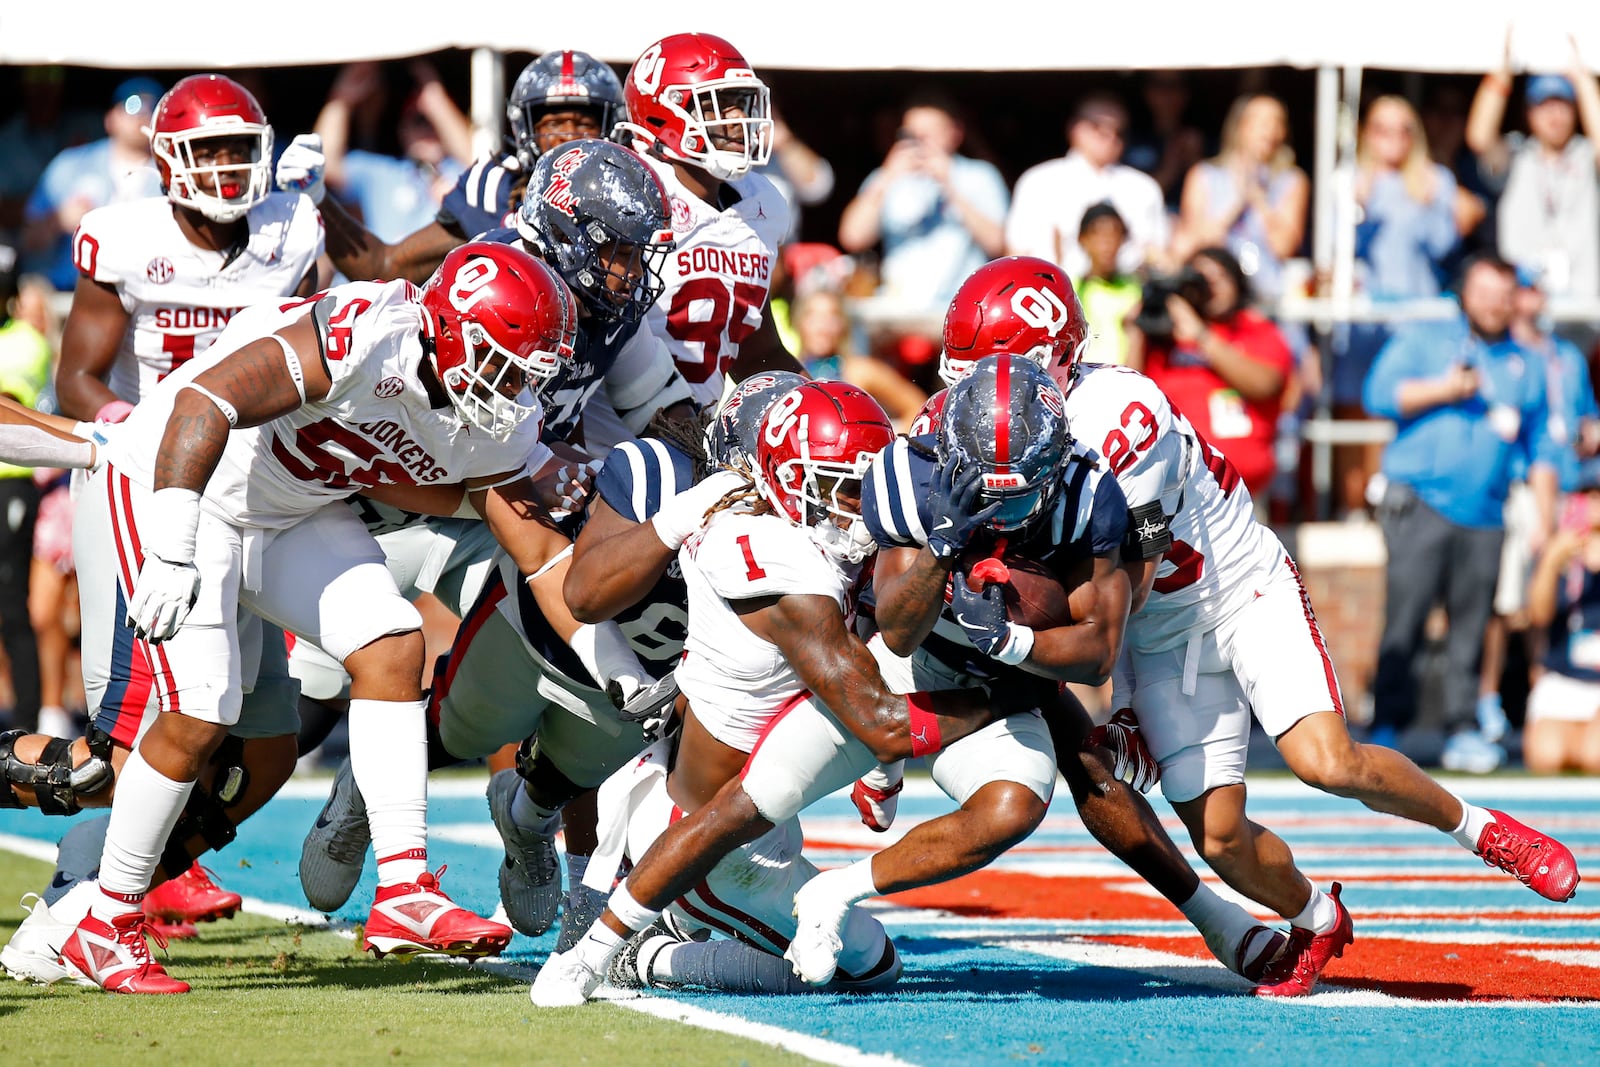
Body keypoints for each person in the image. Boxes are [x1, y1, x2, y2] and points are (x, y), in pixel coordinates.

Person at [951, 256, 1583, 996]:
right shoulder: (985, 424)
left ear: (1049, 359)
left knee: (1326, 760)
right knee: (1219, 838)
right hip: (1163, 634)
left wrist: (1121, 699)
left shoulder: (1124, 418)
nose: (972, 397)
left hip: (1235, 588)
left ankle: (1482, 829)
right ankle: (1318, 916)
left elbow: (1130, 579)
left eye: (986, 371)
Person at [46, 241, 605, 995]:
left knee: (392, 643)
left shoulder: (494, 412)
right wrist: (175, 548)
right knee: (200, 709)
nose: (513, 387)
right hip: (178, 481)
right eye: (502, 361)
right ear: (446, 327)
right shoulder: (365, 332)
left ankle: (405, 891)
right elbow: (203, 402)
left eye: (526, 369)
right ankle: (104, 921)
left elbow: (519, 538)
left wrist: (612, 663)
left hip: (288, 507)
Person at [531, 379, 1046, 1006]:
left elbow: (868, 665)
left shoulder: (802, 537)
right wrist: (1016, 692)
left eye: (866, 484)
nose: (860, 507)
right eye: (841, 488)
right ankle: (651, 957)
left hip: (736, 797)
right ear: (782, 480)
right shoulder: (776, 561)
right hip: (718, 847)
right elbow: (879, 718)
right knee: (870, 965)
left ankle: (649, 922)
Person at [292, 140, 686, 931]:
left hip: (496, 517)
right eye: (614, 250)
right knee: (296, 716)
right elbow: (434, 419)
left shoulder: (612, 313)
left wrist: (732, 447)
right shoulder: (491, 274)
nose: (628, 271)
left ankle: (535, 821)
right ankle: (347, 793)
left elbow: (660, 409)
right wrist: (549, 459)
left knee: (549, 675)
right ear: (567, 233)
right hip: (377, 503)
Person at [0, 74, 327, 980]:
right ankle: (78, 899)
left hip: (259, 490)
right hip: (150, 490)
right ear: (166, 156)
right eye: (208, 148)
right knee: (133, 730)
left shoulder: (293, 228)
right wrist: (145, 438)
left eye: (239, 147)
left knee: (263, 741)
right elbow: (78, 382)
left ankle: (123, 881)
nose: (227, 167)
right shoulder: (126, 233)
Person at [1364, 254, 1562, 771]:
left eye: (1504, 293)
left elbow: (1541, 446)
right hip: (1420, 504)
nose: (1495, 303)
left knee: (1473, 629)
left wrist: (1545, 516)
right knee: (1404, 619)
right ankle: (1388, 724)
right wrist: (1446, 388)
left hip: (1489, 512)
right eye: (1485, 291)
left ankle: (1461, 727)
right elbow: (1378, 396)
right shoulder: (1426, 339)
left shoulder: (1527, 362)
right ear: (1464, 293)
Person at [280, 50, 626, 285]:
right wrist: (317, 195)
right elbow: (385, 266)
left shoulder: (636, 188)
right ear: (524, 129)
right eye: (554, 124)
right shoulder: (494, 188)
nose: (568, 138)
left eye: (583, 123)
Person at [606, 31, 800, 423]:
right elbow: (604, 342)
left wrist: (822, 406)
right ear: (666, 113)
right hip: (611, 441)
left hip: (694, 431)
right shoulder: (627, 196)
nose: (737, 120)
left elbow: (755, 349)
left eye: (741, 105)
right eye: (717, 106)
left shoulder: (758, 204)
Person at [1130, 246, 1294, 496]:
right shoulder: (1165, 335)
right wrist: (1139, 330)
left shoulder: (1254, 328)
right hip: (1176, 488)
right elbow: (1130, 395)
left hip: (1242, 489)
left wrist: (1202, 337)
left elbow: (1266, 385)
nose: (1211, 286)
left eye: (1220, 277)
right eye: (1201, 278)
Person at [837, 90, 1008, 315]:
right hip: (898, 310)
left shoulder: (978, 175)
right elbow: (853, 237)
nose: (919, 142)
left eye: (929, 135)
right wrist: (887, 176)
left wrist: (949, 185)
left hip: (962, 308)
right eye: (911, 135)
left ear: (955, 133)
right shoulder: (887, 176)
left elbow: (998, 244)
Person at [1467, 31, 1600, 309]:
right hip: (1520, 306)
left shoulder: (1586, 155)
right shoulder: (1517, 154)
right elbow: (1479, 137)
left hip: (1582, 306)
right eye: (1544, 105)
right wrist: (1501, 75)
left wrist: (1584, 81)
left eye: (1562, 105)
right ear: (1529, 113)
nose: (1554, 116)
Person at [21, 79, 164, 291]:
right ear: (110, 118)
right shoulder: (71, 164)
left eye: (153, 108)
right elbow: (25, 239)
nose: (143, 115)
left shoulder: (172, 171)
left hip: (147, 292)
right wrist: (57, 221)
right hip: (69, 291)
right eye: (132, 105)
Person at [1005, 93, 1169, 280]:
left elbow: (1159, 256)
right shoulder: (1038, 181)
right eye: (1098, 126)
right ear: (1074, 128)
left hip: (1129, 299)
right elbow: (1015, 255)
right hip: (1053, 295)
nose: (1110, 135)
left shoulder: (1144, 188)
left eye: (1119, 130)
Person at [310, 61, 471, 243]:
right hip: (390, 270)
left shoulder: (461, 172)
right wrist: (342, 99)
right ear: (401, 128)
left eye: (432, 120)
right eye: (418, 121)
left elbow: (482, 162)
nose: (428, 130)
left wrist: (437, 102)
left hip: (447, 269)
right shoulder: (382, 171)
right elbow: (323, 166)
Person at [1170, 93, 1308, 305]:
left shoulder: (1291, 180)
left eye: (1277, 122)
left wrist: (1260, 201)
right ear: (1240, 126)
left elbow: (1283, 247)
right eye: (1261, 122)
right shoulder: (1204, 175)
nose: (1269, 130)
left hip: (1268, 299)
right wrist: (1237, 203)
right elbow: (1190, 245)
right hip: (1216, 301)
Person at [0, 243, 52, 735]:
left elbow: (6, 407)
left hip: (9, 485)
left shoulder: (25, 343)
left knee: (11, 608)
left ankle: (27, 724)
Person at [1523, 460, 1600, 774]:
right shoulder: (1559, 549)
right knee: (1547, 757)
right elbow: (1538, 616)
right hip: (1564, 677)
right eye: (1589, 496)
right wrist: (1553, 561)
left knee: (1595, 755)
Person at [791, 289, 925, 428]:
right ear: (799, 322)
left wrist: (892, 442)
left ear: (843, 325)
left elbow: (918, 408)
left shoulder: (861, 371)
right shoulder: (789, 373)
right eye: (813, 317)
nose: (823, 328)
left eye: (832, 317)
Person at [1074, 203, 1143, 366]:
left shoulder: (1136, 289)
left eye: (1114, 234)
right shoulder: (1071, 289)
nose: (1107, 243)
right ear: (1083, 239)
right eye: (1098, 235)